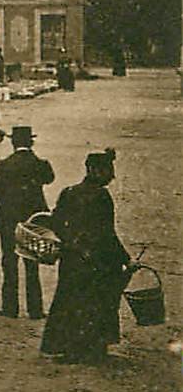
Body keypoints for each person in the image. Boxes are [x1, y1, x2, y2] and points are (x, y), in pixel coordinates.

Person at [40, 150, 130, 364]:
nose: (112, 176)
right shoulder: (101, 197)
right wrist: (126, 259)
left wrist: (72, 244)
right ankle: (93, 349)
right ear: (95, 171)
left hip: (72, 258)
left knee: (70, 300)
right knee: (97, 302)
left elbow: (56, 222)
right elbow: (108, 234)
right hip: (97, 260)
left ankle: (67, 348)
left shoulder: (69, 192)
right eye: (109, 171)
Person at [0, 125, 54, 319]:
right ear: (31, 142)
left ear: (13, 143)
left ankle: (10, 307)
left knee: (9, 262)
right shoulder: (40, 164)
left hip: (8, 219)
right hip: (33, 220)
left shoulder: (3, 165)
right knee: (32, 264)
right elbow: (50, 178)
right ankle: (35, 309)